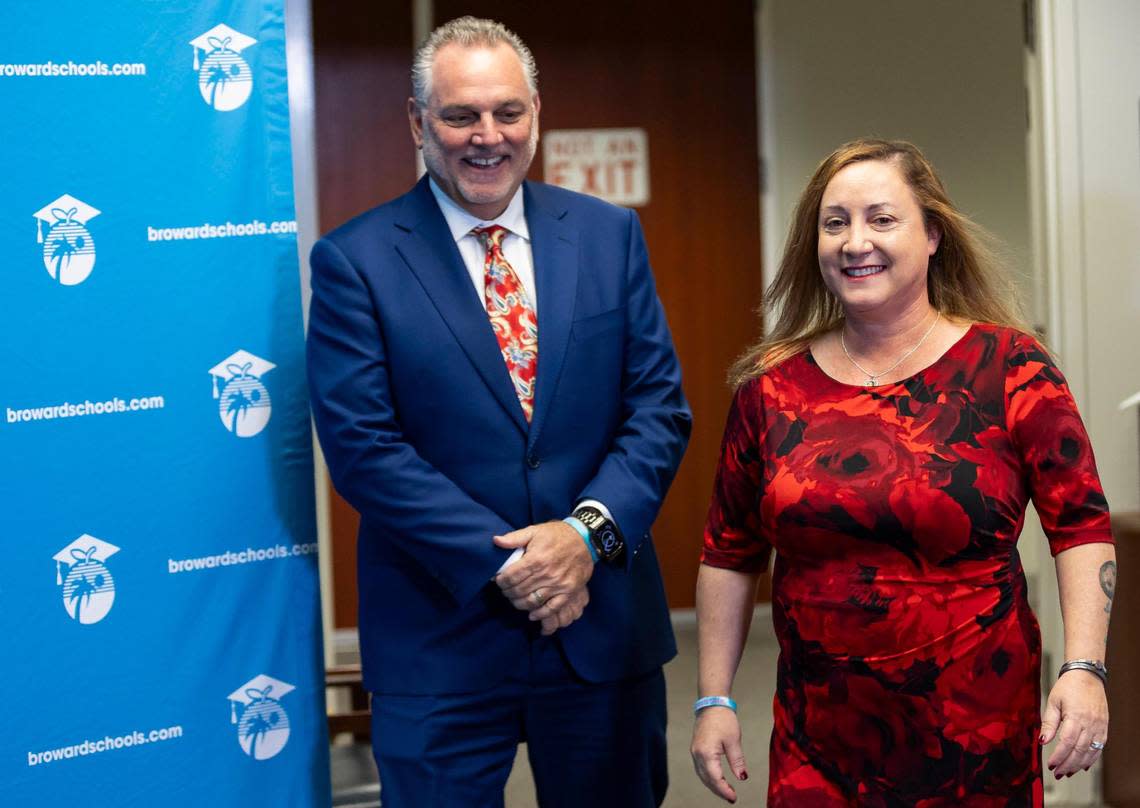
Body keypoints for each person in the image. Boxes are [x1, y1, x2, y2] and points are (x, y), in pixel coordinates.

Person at [306, 16, 690, 808]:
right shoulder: (355, 261)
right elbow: (364, 448)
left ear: (537, 115)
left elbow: (657, 408)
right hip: (439, 636)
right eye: (460, 115)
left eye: (507, 112)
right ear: (418, 124)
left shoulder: (608, 236)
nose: (488, 136)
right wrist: (520, 565)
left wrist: (585, 536)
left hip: (601, 629)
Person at [690, 138, 1115, 806]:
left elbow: (1080, 525)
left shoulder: (1010, 368)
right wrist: (712, 696)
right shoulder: (771, 390)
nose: (855, 241)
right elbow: (729, 550)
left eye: (882, 219)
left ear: (934, 234)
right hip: (819, 738)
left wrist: (1085, 669)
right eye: (835, 224)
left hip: (975, 730)